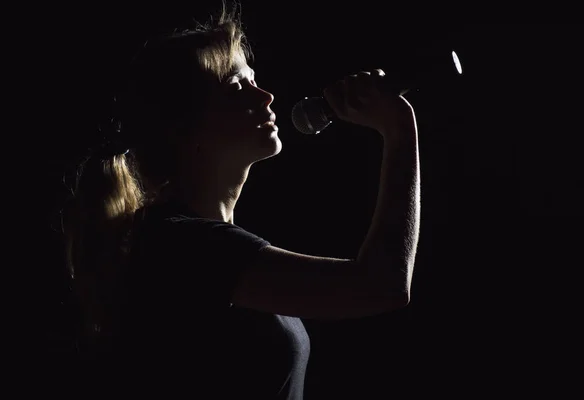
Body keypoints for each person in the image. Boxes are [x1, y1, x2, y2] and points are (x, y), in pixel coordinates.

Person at [61, 2, 420, 398]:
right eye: (237, 86)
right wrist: (399, 129)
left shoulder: (197, 243)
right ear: (185, 127)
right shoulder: (183, 247)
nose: (266, 96)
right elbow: (380, 285)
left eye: (254, 79)